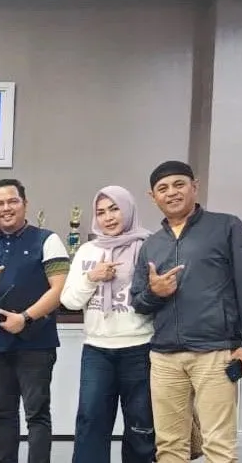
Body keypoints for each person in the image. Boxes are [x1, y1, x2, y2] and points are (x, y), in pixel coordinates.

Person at [132, 160, 242, 463]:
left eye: (179, 184)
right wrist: (155, 293)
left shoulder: (226, 227)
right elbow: (138, 302)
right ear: (152, 197)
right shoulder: (151, 245)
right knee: (169, 445)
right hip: (164, 356)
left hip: (214, 352)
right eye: (162, 188)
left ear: (195, 186)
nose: (171, 192)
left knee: (218, 446)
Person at [0, 179, 69, 463]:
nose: (6, 208)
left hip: (37, 343)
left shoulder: (47, 240)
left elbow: (60, 289)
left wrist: (26, 318)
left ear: (25, 204)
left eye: (12, 201)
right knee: (4, 414)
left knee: (37, 414)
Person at [59, 186, 155, 463]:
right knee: (90, 422)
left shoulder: (149, 246)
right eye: (101, 212)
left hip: (140, 348)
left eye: (114, 209)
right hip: (97, 350)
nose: (108, 217)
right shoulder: (88, 250)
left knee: (141, 425)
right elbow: (70, 301)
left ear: (128, 209)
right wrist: (92, 277)